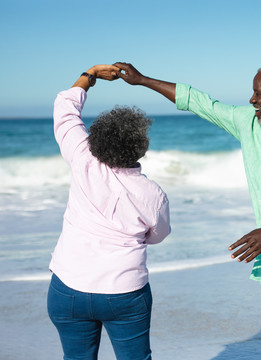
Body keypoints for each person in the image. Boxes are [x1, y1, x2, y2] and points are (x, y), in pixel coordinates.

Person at [114, 61, 261, 359]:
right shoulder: (250, 123)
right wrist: (142, 80)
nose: (252, 100)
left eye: (258, 93)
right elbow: (201, 103)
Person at [48, 64, 171, 360]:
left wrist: (90, 75)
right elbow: (158, 236)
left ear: (96, 139)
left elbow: (64, 108)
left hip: (68, 288)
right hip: (125, 293)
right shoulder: (153, 195)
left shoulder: (82, 159)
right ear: (141, 146)